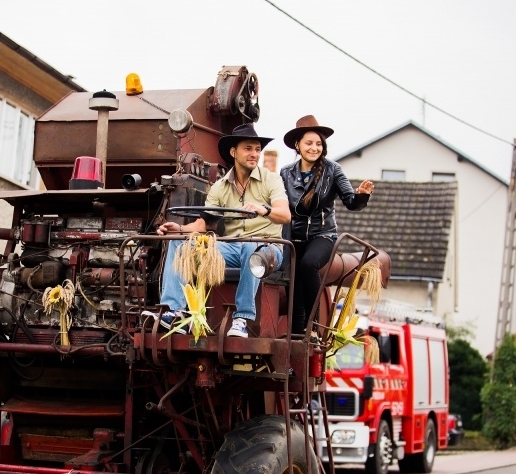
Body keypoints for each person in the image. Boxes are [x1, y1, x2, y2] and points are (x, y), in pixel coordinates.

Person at [156, 124, 290, 337]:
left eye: (257, 149)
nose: (254, 154)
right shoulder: (220, 187)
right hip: (233, 248)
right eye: (248, 148)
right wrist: (179, 228)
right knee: (180, 243)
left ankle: (242, 318)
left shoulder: (271, 180)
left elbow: (285, 215)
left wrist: (263, 210)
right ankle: (176, 311)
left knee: (250, 247)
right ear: (233, 152)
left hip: (269, 250)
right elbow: (203, 225)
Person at [280, 115, 374, 335]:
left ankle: (315, 324)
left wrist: (362, 196)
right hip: (293, 237)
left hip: (322, 236)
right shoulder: (285, 173)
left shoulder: (333, 170)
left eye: (318, 144)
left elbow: (351, 202)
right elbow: (276, 202)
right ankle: (297, 336)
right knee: (293, 283)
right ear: (298, 145)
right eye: (309, 143)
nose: (314, 148)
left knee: (308, 265)